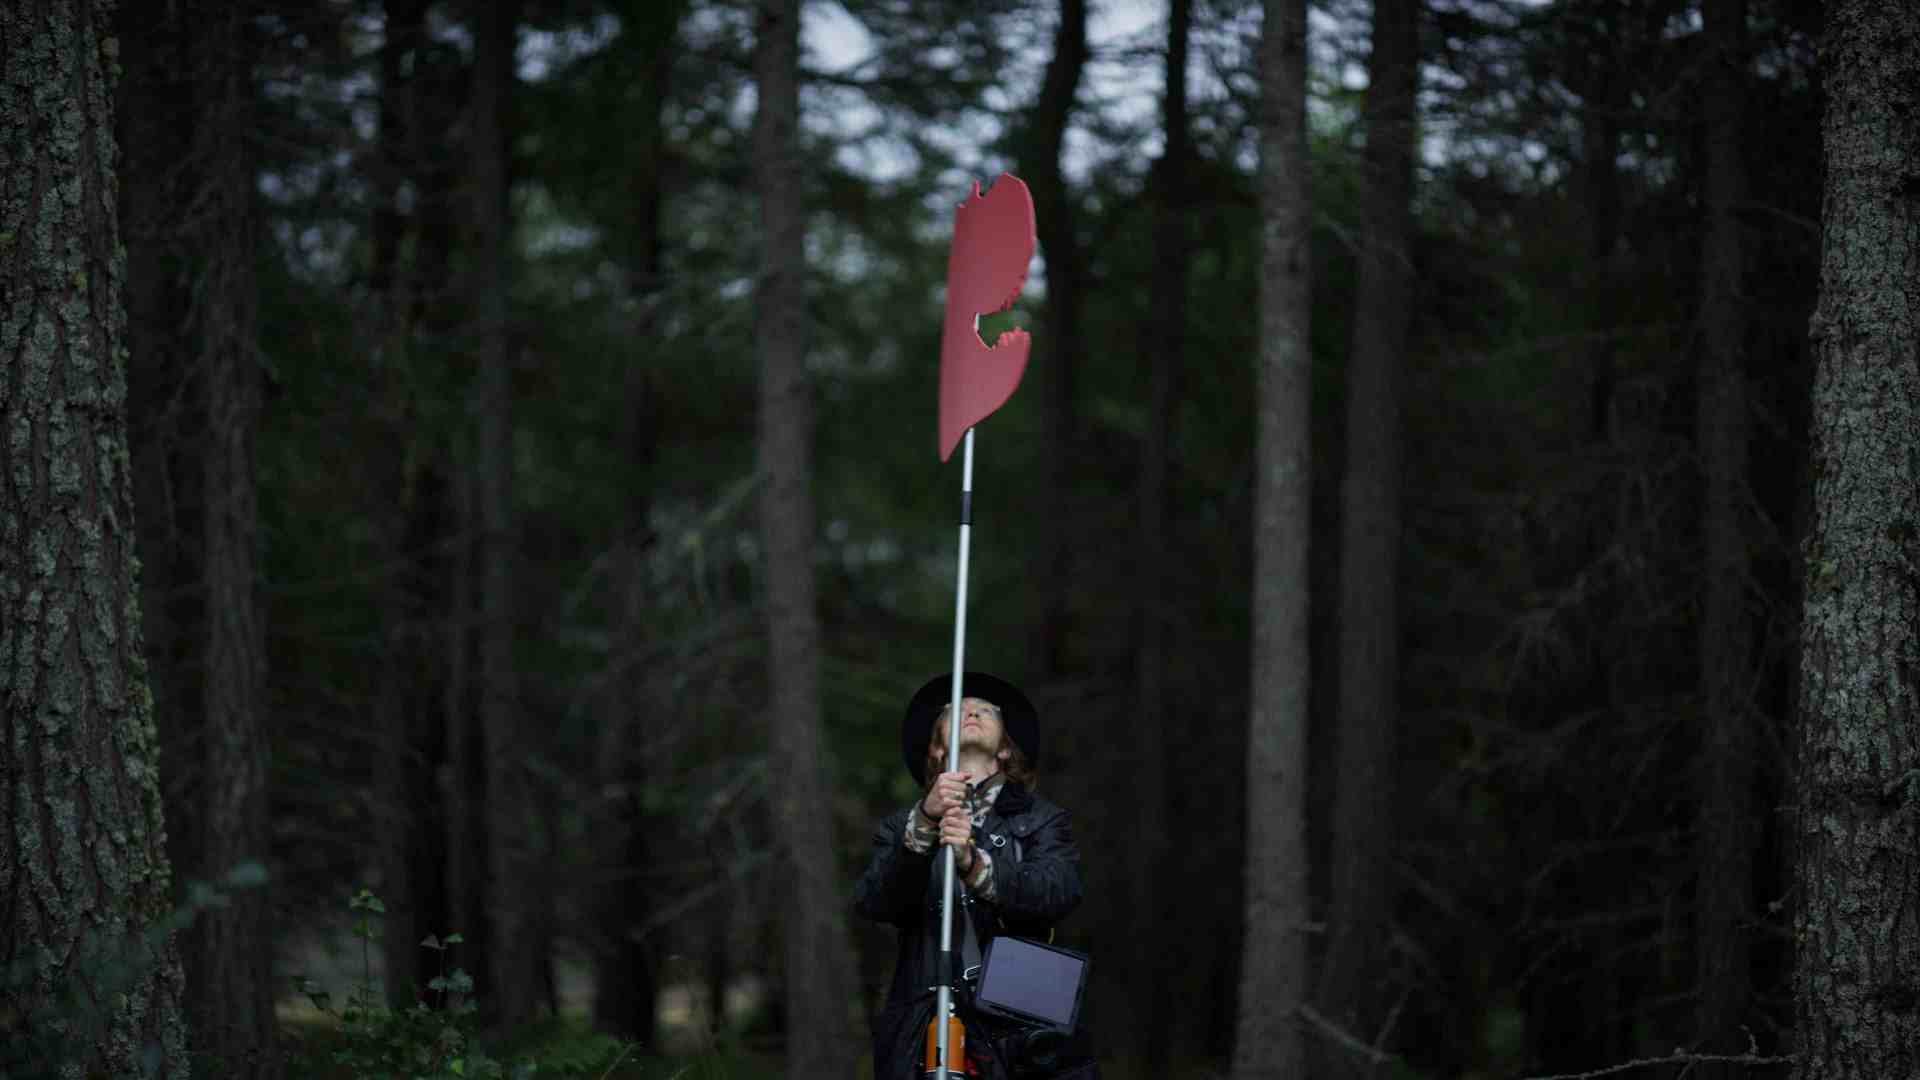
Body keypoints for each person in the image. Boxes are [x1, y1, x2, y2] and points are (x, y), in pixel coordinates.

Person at [853, 671, 1096, 1079]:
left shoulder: (1041, 820)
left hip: (1019, 1024)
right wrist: (923, 826)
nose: (971, 710)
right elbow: (874, 901)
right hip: (925, 1022)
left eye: (985, 710)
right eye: (954, 710)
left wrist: (976, 866)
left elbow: (1060, 892)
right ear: (935, 749)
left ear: (1004, 749)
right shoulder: (901, 828)